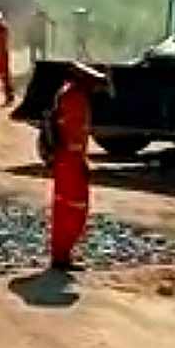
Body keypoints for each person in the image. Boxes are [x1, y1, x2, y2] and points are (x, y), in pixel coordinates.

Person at [49, 60, 108, 271]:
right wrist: (82, 162)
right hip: (71, 160)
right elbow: (75, 135)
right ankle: (62, 255)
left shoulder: (67, 93)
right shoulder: (76, 99)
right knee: (75, 208)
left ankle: (61, 255)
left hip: (65, 160)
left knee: (63, 207)